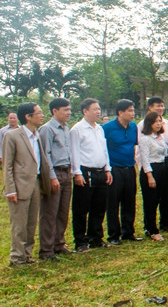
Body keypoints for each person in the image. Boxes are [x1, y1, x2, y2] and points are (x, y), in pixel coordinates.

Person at [4, 103, 51, 266]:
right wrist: (11, 190)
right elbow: (8, 165)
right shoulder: (12, 136)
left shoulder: (36, 135)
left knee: (31, 222)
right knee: (19, 224)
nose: (42, 115)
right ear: (28, 116)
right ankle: (17, 257)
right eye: (39, 113)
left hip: (35, 183)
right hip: (19, 186)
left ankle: (27, 254)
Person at [70, 98, 112, 252]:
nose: (98, 112)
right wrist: (77, 173)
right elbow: (74, 152)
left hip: (101, 171)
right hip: (85, 172)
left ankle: (95, 237)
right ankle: (80, 241)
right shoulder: (77, 129)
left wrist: (107, 169)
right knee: (81, 208)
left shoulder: (99, 129)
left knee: (99, 206)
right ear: (85, 111)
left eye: (99, 109)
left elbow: (104, 150)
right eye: (94, 109)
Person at [39, 98, 73, 258]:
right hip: (55, 173)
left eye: (69, 109)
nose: (69, 112)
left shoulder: (66, 128)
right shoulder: (47, 129)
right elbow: (45, 155)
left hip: (66, 172)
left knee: (63, 211)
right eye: (65, 110)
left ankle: (59, 243)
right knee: (50, 212)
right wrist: (52, 177)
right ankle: (46, 249)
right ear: (55, 111)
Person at [103, 99, 140, 245]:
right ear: (120, 112)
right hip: (114, 168)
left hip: (129, 168)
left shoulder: (133, 127)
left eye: (133, 110)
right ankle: (113, 235)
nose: (133, 113)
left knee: (129, 200)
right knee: (113, 202)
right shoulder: (107, 128)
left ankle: (128, 232)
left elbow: (134, 145)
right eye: (130, 111)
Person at [136, 97, 168, 233]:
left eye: (162, 106)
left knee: (165, 195)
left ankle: (165, 223)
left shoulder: (166, 126)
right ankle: (150, 227)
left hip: (164, 164)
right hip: (151, 166)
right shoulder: (142, 127)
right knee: (151, 199)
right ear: (150, 107)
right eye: (158, 106)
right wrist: (147, 172)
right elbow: (142, 153)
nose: (161, 108)